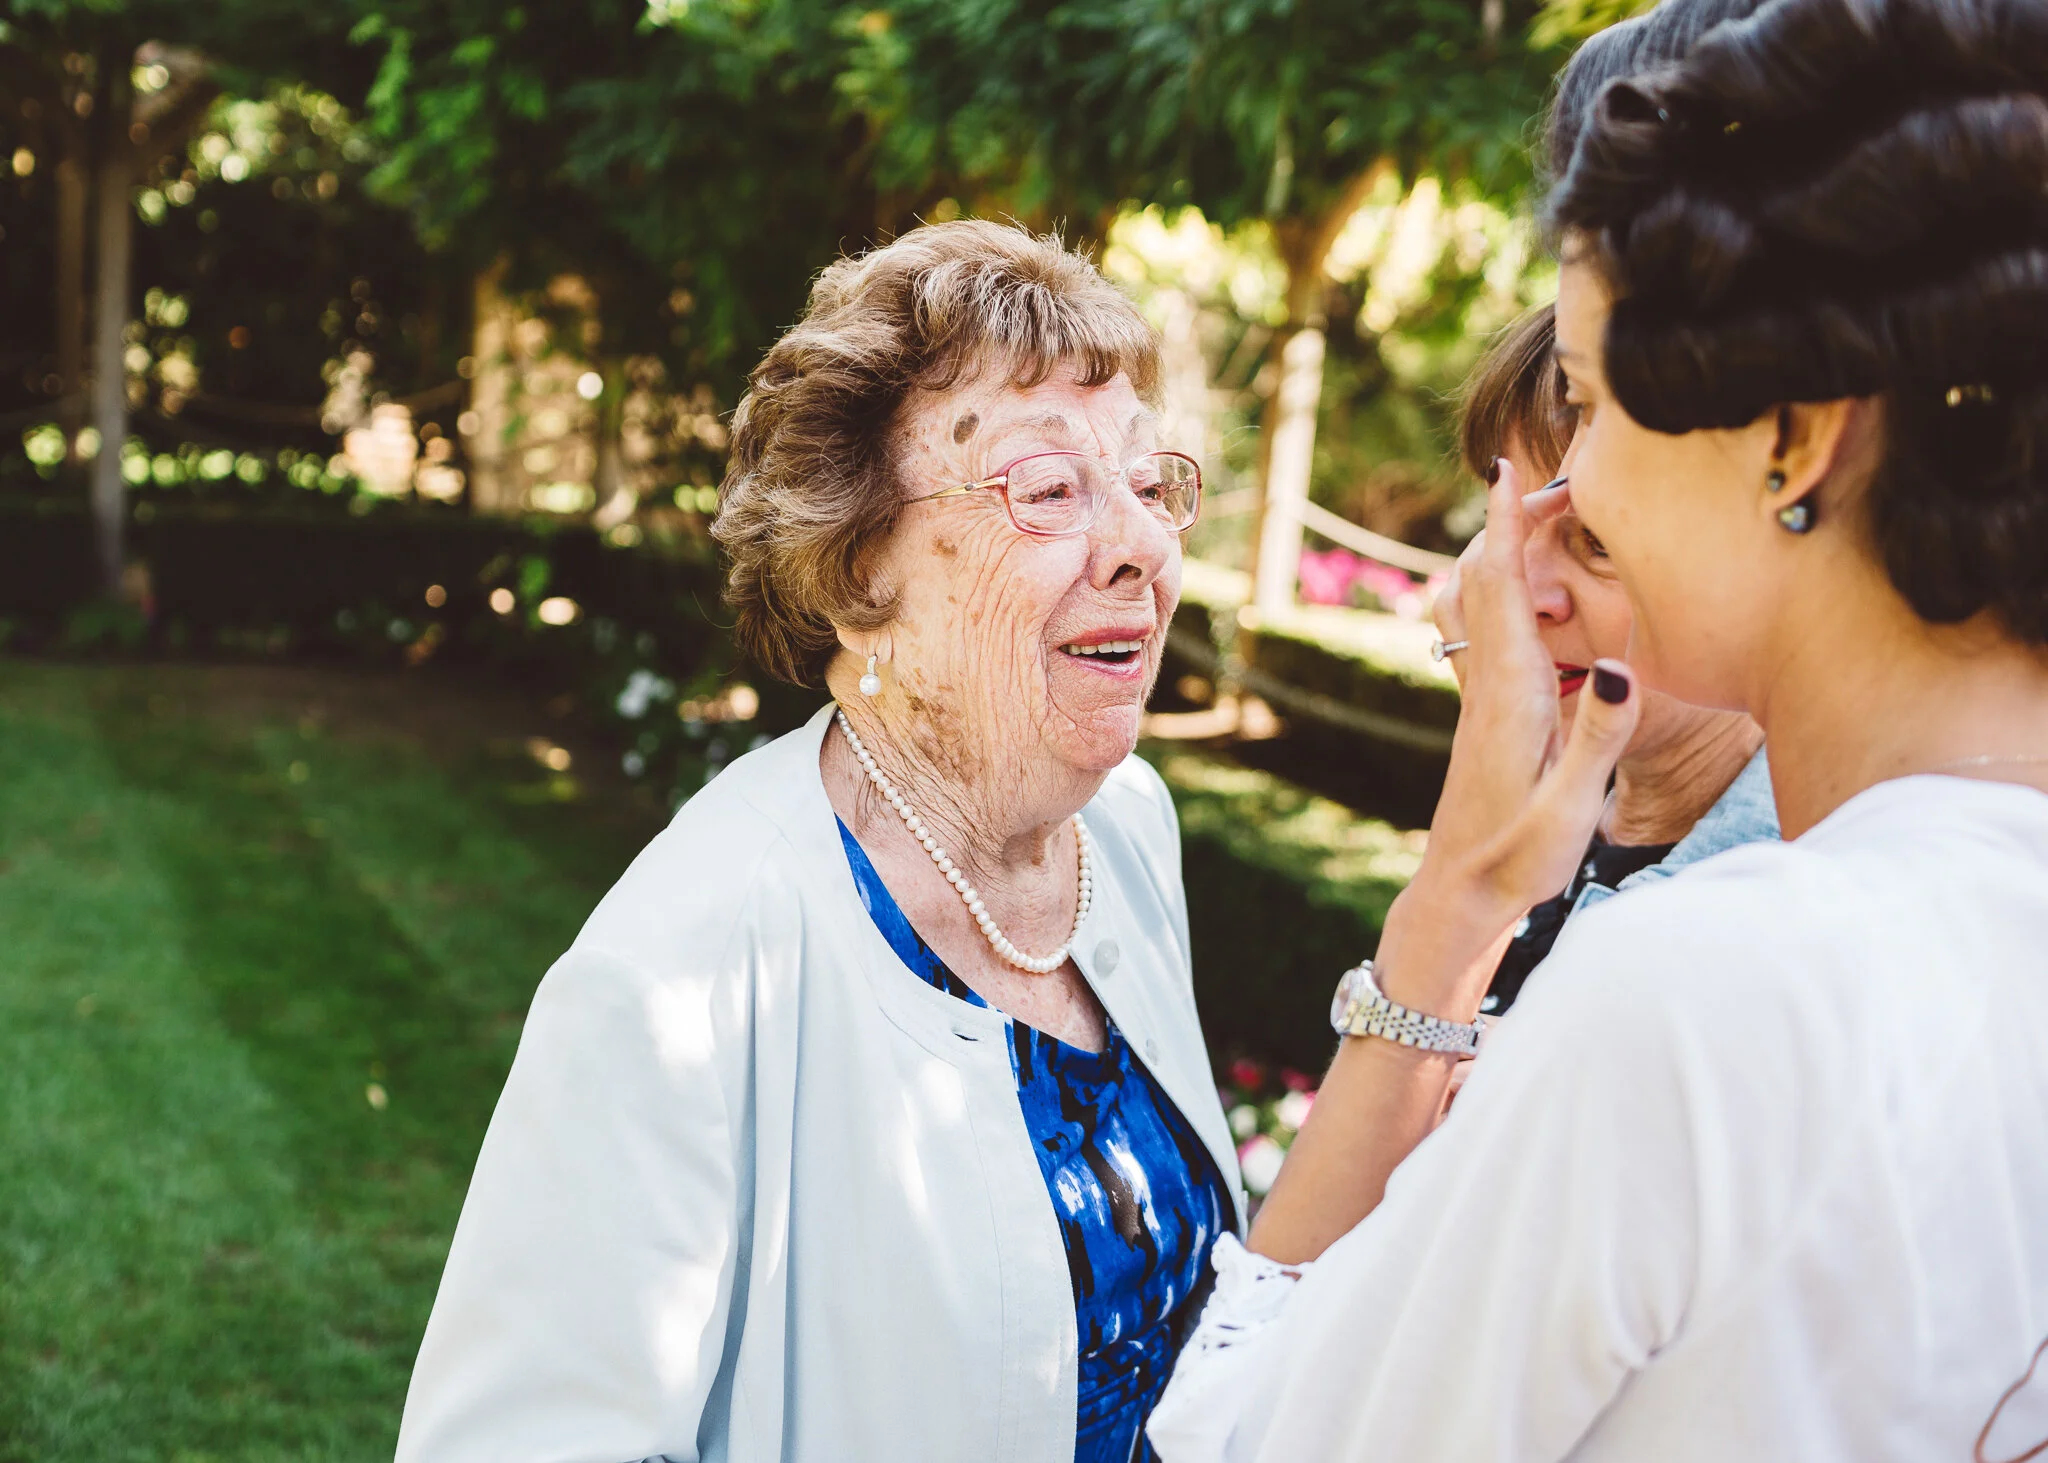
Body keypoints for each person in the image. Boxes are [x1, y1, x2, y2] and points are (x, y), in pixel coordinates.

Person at [1149, 0, 2048, 1458]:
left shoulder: (1707, 992)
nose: (1533, 527)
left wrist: (1455, 892)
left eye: (1587, 395)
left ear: (1795, 434)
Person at [396, 220, 1244, 1463]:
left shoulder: (1120, 830)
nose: (1140, 544)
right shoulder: (685, 969)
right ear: (856, 574)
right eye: (1051, 489)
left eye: (1144, 478)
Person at [1446, 304, 1776, 1015]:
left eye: (1597, 541)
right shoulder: (1565, 829)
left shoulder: (1753, 928)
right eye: (1503, 523)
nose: (1523, 592)